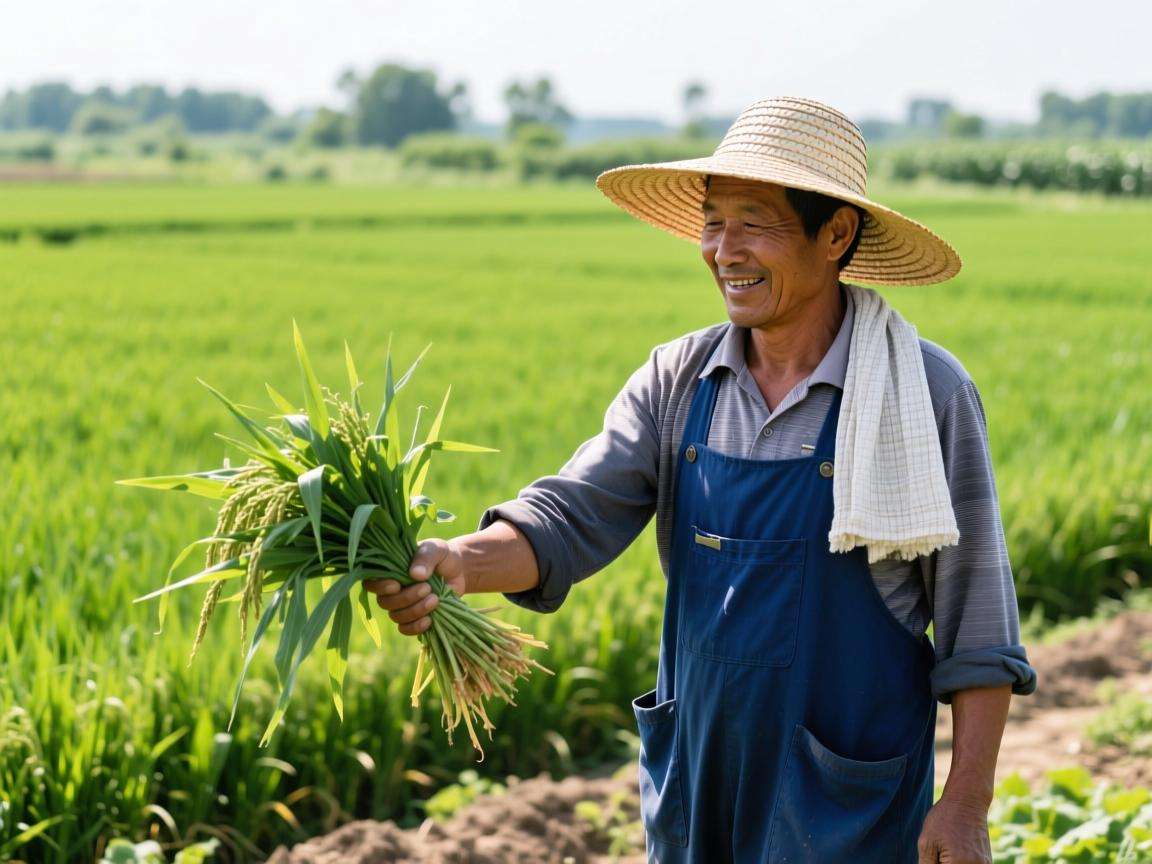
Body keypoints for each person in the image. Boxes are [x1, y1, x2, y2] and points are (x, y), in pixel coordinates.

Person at [364, 96, 1037, 863]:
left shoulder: (922, 394)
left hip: (847, 809)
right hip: (697, 788)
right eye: (714, 222)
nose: (725, 250)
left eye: (755, 221)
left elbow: (978, 624)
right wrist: (458, 561)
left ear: (836, 233)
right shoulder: (680, 381)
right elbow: (570, 517)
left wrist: (965, 804)